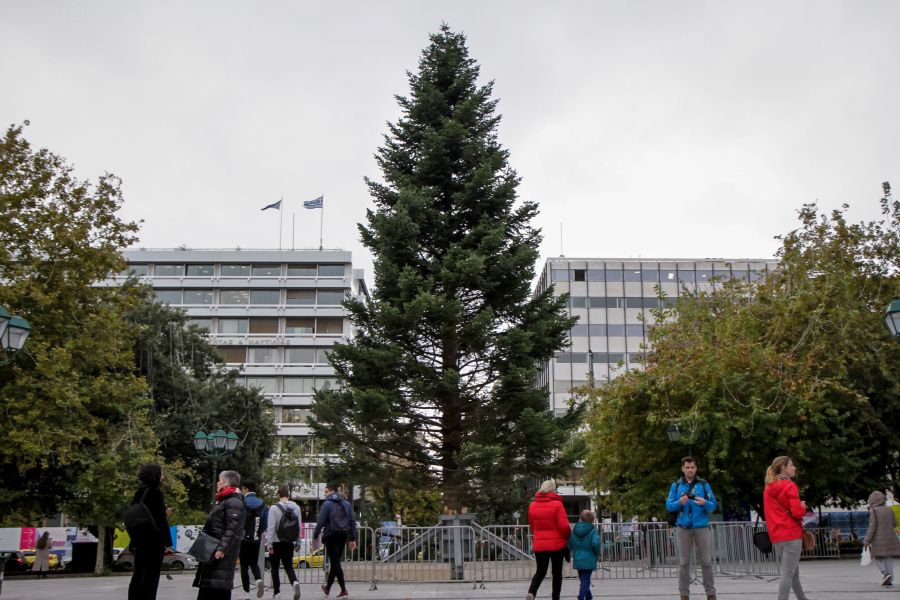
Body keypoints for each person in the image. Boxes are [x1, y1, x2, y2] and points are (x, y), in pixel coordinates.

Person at [665, 457, 717, 600]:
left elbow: (713, 505)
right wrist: (679, 502)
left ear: (696, 468)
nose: (690, 470)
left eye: (692, 467)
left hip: (701, 526)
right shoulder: (676, 485)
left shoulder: (703, 484)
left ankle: (711, 593)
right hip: (683, 527)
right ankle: (684, 594)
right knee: (684, 562)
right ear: (683, 468)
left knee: (706, 561)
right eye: (687, 467)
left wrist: (704, 502)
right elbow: (669, 505)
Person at [193, 471, 246, 600]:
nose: (217, 483)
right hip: (213, 549)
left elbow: (232, 527)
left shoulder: (234, 501)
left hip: (220, 552)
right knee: (211, 584)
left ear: (226, 483)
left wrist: (222, 548)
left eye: (220, 480)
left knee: (218, 585)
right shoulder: (225, 500)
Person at [763, 456, 810, 600]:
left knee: (792, 572)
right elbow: (796, 512)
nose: (794, 468)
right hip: (791, 534)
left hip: (776, 535)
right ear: (784, 468)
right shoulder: (789, 486)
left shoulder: (768, 488)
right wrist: (803, 508)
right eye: (792, 465)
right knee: (788, 573)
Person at [129, 464, 174, 600]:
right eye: (161, 474)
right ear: (155, 475)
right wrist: (168, 542)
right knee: (151, 576)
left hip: (140, 540)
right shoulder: (155, 493)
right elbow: (160, 520)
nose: (163, 477)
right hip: (153, 542)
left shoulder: (140, 492)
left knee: (138, 574)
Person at [526, 480, 571, 600]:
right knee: (557, 573)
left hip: (540, 544)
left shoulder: (532, 505)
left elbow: (532, 525)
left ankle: (532, 592)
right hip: (557, 545)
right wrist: (567, 536)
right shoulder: (557, 505)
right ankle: (555, 597)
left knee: (540, 571)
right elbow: (564, 526)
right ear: (553, 490)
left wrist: (539, 536)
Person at [314, 484, 358, 598]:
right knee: (335, 561)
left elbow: (321, 521)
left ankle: (343, 589)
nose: (325, 494)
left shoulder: (327, 504)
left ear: (332, 492)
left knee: (335, 562)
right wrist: (353, 538)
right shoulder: (347, 504)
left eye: (326, 491)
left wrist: (315, 535)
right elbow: (352, 521)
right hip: (342, 535)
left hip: (330, 535)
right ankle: (327, 588)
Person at [266, 486, 303, 600]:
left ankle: (277, 593)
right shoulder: (296, 508)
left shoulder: (273, 508)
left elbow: (271, 527)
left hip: (276, 542)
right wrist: (298, 542)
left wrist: (269, 544)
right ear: (289, 496)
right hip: (289, 542)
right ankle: (294, 582)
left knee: (275, 567)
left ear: (278, 496)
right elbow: (298, 526)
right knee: (288, 566)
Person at [863, 490, 900, 588]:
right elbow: (895, 524)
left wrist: (866, 540)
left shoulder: (874, 511)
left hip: (878, 540)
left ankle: (885, 573)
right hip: (891, 538)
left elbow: (872, 527)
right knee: (889, 559)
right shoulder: (889, 510)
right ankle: (889, 581)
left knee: (877, 558)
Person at [239, 480, 268, 600]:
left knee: (244, 565)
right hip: (256, 539)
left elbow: (239, 520)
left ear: (245, 489)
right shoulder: (263, 505)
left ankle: (246, 593)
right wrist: (258, 532)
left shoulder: (242, 502)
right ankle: (258, 580)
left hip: (243, 539)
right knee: (254, 563)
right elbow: (265, 523)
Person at [567, 510, 601, 600]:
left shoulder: (574, 530)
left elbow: (570, 544)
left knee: (583, 580)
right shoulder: (592, 531)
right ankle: (581, 597)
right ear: (593, 520)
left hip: (578, 558)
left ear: (580, 519)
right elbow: (596, 543)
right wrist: (596, 553)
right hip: (589, 559)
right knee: (585, 580)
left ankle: (589, 597)